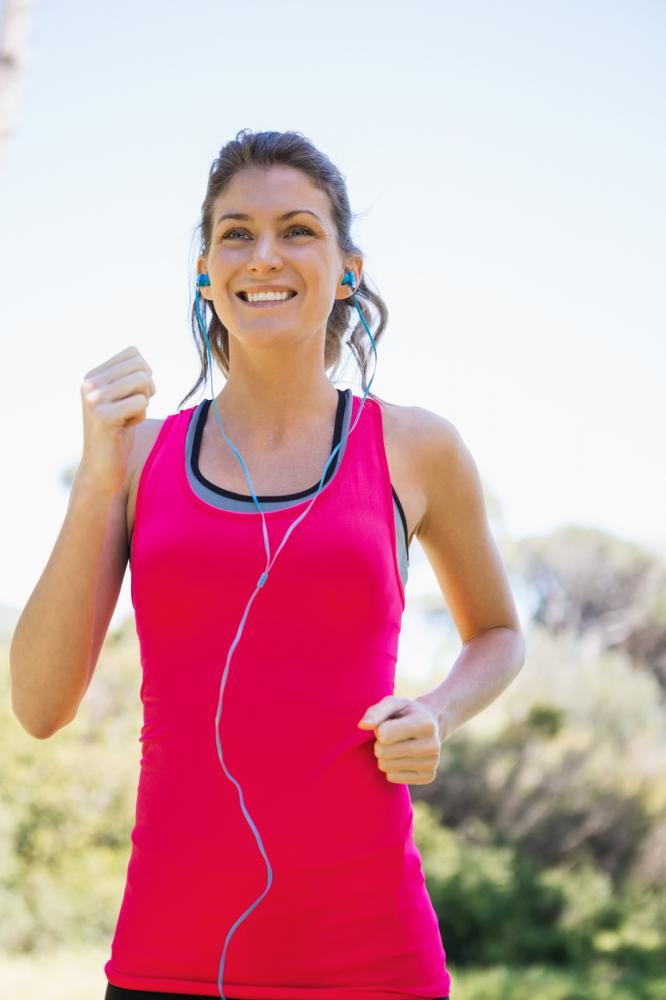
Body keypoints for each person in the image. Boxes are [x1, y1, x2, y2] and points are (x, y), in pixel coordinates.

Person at [11, 128, 525, 999]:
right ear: (207, 271)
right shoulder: (136, 462)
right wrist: (98, 480)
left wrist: (437, 711)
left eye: (297, 229)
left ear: (347, 266)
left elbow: (501, 633)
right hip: (166, 963)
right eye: (236, 234)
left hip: (375, 962)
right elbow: (37, 704)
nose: (265, 255)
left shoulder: (415, 448)